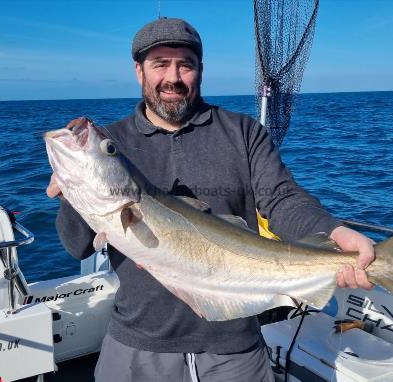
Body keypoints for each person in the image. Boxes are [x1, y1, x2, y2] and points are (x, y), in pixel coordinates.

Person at [46, 17, 375, 382]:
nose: (173, 77)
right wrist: (73, 191)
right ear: (139, 71)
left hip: (235, 348)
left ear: (200, 70)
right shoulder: (115, 141)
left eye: (185, 65)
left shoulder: (243, 132)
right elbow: (77, 247)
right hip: (138, 345)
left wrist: (334, 232)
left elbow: (282, 198)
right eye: (160, 65)